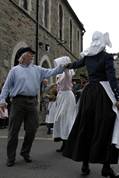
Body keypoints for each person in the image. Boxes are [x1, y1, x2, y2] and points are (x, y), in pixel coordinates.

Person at [63, 31, 119, 178]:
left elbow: (76, 64)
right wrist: (118, 97)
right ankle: (106, 167)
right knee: (106, 127)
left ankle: (85, 165)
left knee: (86, 126)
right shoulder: (106, 57)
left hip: (89, 94)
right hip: (103, 93)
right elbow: (112, 78)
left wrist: (67, 65)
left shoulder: (88, 56)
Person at [0, 46, 65, 167]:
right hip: (18, 102)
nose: (32, 56)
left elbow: (52, 71)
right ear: (23, 57)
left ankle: (25, 152)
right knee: (13, 131)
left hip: (32, 102)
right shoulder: (14, 70)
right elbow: (6, 87)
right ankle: (11, 157)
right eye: (30, 54)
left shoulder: (37, 69)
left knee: (32, 129)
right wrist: (2, 100)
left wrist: (63, 67)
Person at [53, 56, 77, 152]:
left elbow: (67, 74)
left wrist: (66, 67)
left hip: (67, 96)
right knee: (61, 119)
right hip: (62, 97)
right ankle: (64, 142)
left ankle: (68, 143)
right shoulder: (62, 74)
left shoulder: (67, 73)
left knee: (66, 119)